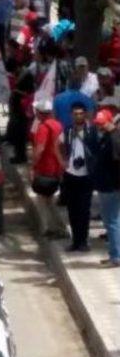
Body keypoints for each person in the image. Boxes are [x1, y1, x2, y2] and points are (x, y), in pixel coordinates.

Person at [62, 103, 98, 253]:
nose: (78, 116)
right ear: (71, 115)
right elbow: (59, 145)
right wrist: (63, 162)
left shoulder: (91, 130)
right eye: (75, 114)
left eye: (81, 113)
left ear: (85, 114)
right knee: (72, 210)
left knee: (84, 210)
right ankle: (75, 241)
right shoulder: (68, 131)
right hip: (71, 174)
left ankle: (83, 240)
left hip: (86, 175)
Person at [29, 100, 67, 239]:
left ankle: (54, 228)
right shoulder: (58, 125)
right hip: (56, 168)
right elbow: (61, 145)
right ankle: (56, 228)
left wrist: (33, 166)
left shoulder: (43, 128)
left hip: (45, 169)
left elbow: (40, 149)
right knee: (49, 200)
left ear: (39, 113)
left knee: (45, 201)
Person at [91, 110, 120, 267]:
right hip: (107, 185)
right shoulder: (108, 137)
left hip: (110, 187)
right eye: (98, 124)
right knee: (112, 221)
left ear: (110, 121)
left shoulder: (114, 139)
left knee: (112, 222)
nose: (100, 126)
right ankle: (115, 254)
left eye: (102, 123)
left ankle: (116, 256)